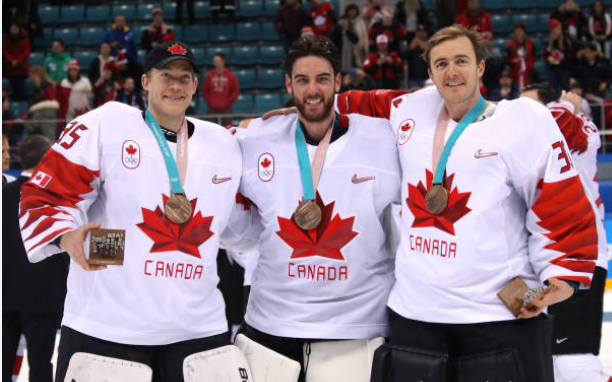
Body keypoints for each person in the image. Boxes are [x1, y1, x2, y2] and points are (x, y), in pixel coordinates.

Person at [333, 24, 597, 381]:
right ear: (430, 74)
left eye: (461, 60)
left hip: (498, 318)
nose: (452, 71)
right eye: (441, 64)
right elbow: (358, 104)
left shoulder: (521, 122)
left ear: (480, 67)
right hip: (416, 316)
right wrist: (296, 113)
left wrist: (561, 275)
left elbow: (560, 202)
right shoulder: (412, 109)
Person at [19, 41, 242, 382]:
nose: (176, 85)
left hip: (197, 332)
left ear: (196, 86)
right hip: (108, 331)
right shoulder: (107, 125)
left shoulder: (223, 143)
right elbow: (44, 194)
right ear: (146, 82)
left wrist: (285, 124)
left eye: (185, 78)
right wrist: (67, 236)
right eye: (166, 75)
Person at [223, 34, 400, 382]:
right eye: (302, 80)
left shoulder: (383, 137)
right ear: (289, 84)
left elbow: (431, 104)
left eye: (322, 79)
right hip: (270, 326)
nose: (312, 90)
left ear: (338, 81)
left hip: (357, 327)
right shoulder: (257, 138)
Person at [520, 84, 611, 382]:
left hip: (575, 257)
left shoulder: (575, 126)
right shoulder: (521, 148)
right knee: (530, 351)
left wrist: (566, 104)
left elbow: (554, 128)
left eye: (530, 109)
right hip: (533, 258)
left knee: (571, 357)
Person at [3, 135, 69, 382]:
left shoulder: (3, 195)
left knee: (3, 365)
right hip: (44, 297)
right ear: (48, 160)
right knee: (40, 366)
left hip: (5, 295)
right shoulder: (59, 199)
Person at [201, 52, 239, 126]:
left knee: (227, 129)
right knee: (211, 129)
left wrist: (227, 102)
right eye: (214, 61)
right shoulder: (209, 75)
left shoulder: (231, 75)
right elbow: (205, 91)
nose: (215, 63)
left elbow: (235, 92)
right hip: (212, 109)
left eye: (218, 61)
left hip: (226, 109)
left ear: (223, 61)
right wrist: (211, 102)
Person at [25, 65, 60, 141]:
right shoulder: (41, 85)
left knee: (49, 137)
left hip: (46, 113)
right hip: (42, 113)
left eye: (32, 75)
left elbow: (52, 98)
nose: (31, 77)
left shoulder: (44, 84)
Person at [545, 18, 574, 95]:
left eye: (559, 28)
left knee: (565, 89)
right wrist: (549, 59)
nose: (559, 30)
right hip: (553, 70)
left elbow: (571, 55)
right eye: (557, 28)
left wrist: (564, 57)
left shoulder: (565, 41)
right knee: (552, 89)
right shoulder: (547, 42)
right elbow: (545, 55)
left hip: (564, 68)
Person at [3, 23, 31, 101]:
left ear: (19, 29)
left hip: (22, 68)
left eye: (15, 28)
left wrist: (17, 61)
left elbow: (25, 52)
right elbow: (5, 51)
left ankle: (23, 106)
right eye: (12, 28)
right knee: (13, 90)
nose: (13, 30)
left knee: (21, 89)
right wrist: (11, 60)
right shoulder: (6, 39)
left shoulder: (24, 38)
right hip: (10, 68)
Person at [506, 22, 535, 90]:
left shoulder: (530, 43)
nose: (519, 33)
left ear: (524, 32)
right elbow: (507, 60)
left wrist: (526, 60)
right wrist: (514, 61)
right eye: (517, 31)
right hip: (515, 72)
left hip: (528, 72)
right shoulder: (510, 45)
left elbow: (533, 57)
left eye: (521, 31)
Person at [344, 4, 370, 69]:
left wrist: (365, 47)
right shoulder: (344, 22)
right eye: (350, 11)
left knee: (359, 66)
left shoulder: (360, 22)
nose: (352, 12)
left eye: (353, 10)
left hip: (359, 48)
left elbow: (365, 35)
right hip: (348, 49)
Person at [405, 24, 429, 88]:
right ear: (416, 33)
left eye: (423, 32)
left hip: (426, 77)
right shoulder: (411, 43)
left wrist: (425, 47)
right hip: (413, 77)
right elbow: (405, 57)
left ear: (426, 33)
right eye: (419, 32)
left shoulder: (430, 43)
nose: (421, 34)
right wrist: (411, 48)